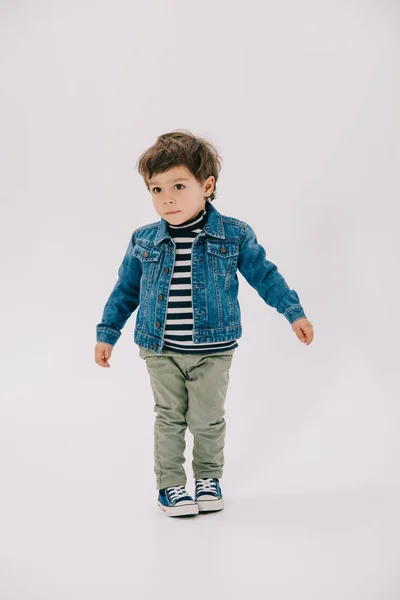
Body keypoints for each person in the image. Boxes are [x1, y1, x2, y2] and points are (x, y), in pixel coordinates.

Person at [94, 129, 314, 518]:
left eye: (178, 185)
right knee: (169, 418)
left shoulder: (234, 234)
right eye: (156, 190)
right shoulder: (144, 239)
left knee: (207, 419)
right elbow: (125, 289)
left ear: (207, 185)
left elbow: (265, 275)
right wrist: (107, 333)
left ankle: (208, 478)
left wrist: (292, 311)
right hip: (159, 347)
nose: (167, 199)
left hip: (213, 349)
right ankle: (171, 486)